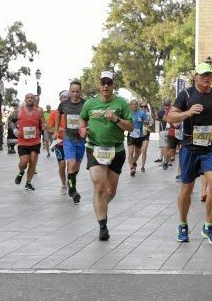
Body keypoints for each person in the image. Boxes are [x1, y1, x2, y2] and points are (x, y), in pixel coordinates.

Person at [166, 62, 212, 245]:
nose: (206, 78)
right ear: (195, 77)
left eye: (209, 74)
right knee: (187, 189)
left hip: (210, 149)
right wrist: (188, 112)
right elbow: (170, 117)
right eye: (203, 75)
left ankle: (208, 227)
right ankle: (183, 225)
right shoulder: (186, 94)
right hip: (190, 148)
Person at [79, 70, 134, 241]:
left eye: (108, 83)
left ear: (113, 85)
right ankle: (103, 226)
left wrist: (116, 119)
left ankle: (99, 205)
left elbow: (131, 128)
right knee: (99, 187)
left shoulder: (122, 103)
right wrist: (82, 130)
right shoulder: (90, 103)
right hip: (95, 148)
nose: (105, 86)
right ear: (98, 85)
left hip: (116, 150)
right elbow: (82, 119)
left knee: (110, 191)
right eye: (102, 82)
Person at [56, 81, 86, 202]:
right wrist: (57, 128)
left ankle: (70, 181)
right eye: (72, 91)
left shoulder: (86, 104)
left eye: (77, 91)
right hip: (68, 137)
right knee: (71, 164)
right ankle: (73, 191)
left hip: (81, 139)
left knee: (76, 167)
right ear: (69, 91)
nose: (74, 94)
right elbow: (58, 114)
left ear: (80, 92)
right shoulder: (64, 104)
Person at [9, 93, 45, 190]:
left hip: (35, 141)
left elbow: (43, 124)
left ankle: (28, 183)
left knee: (33, 163)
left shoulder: (39, 111)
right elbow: (10, 121)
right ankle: (21, 172)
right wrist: (15, 130)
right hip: (23, 142)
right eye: (28, 98)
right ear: (25, 99)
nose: (30, 99)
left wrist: (45, 127)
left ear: (35, 100)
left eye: (32, 98)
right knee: (23, 162)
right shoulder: (19, 110)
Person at [50, 91, 69, 194]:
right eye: (63, 97)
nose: (65, 98)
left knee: (71, 166)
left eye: (67, 97)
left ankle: (71, 183)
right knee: (62, 164)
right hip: (59, 142)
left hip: (71, 142)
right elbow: (50, 128)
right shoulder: (54, 113)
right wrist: (57, 130)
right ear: (60, 99)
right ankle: (63, 184)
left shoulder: (74, 111)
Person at [126, 99, 148, 176]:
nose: (134, 106)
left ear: (137, 105)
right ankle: (132, 168)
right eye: (132, 104)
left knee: (138, 153)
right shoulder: (128, 113)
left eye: (135, 104)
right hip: (131, 134)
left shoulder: (142, 113)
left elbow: (147, 122)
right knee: (130, 153)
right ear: (130, 105)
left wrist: (142, 121)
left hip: (139, 135)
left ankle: (134, 162)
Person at [139, 102, 153, 172]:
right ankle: (133, 164)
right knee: (138, 152)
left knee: (144, 150)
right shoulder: (136, 114)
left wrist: (147, 124)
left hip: (146, 133)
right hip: (137, 135)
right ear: (140, 107)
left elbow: (151, 123)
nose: (144, 108)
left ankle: (142, 166)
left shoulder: (148, 114)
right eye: (142, 106)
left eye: (145, 106)